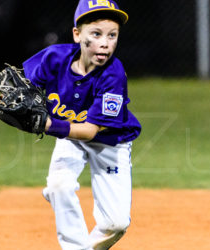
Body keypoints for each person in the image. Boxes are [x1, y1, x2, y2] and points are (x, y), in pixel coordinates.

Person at [21, 0, 141, 249]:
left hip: (110, 141)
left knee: (116, 224)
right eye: (96, 34)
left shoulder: (113, 74)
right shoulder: (54, 58)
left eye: (112, 35)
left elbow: (89, 130)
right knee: (59, 186)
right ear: (77, 34)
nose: (105, 43)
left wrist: (46, 124)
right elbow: (24, 84)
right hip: (70, 138)